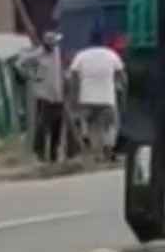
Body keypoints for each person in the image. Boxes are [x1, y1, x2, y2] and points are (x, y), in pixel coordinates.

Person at [68, 32, 125, 161]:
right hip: (107, 98)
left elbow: (73, 77)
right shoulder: (111, 54)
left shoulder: (81, 55)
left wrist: (73, 97)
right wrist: (123, 93)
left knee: (91, 125)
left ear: (90, 41)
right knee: (110, 125)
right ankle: (108, 148)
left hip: (86, 98)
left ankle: (93, 148)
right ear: (103, 42)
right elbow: (122, 76)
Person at [30, 33, 65, 164]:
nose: (55, 45)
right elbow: (23, 62)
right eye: (53, 43)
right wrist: (34, 76)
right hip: (45, 96)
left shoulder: (56, 51)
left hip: (58, 96)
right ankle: (39, 152)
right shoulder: (38, 54)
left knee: (57, 126)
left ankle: (53, 155)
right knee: (43, 125)